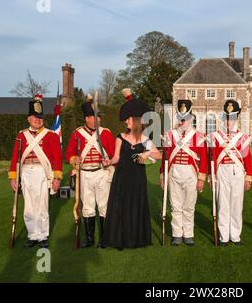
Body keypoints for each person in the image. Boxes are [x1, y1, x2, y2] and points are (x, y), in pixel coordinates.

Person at [101, 89, 162, 250]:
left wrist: (148, 152)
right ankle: (119, 239)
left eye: (128, 119)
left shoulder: (145, 139)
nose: (126, 122)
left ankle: (135, 239)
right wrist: (108, 162)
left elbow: (159, 155)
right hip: (121, 177)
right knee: (120, 207)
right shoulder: (120, 137)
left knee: (135, 206)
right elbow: (116, 158)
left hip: (137, 178)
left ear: (135, 121)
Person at [8, 95, 62, 248]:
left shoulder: (51, 136)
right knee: (29, 206)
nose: (37, 120)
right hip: (25, 173)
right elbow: (15, 158)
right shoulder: (21, 135)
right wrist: (13, 177)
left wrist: (57, 177)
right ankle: (32, 235)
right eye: (35, 117)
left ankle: (43, 236)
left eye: (40, 117)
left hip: (42, 172)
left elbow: (57, 158)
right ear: (29, 118)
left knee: (42, 205)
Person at [65, 96, 115, 248]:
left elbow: (113, 154)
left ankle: (104, 239)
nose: (99, 120)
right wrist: (75, 159)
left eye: (99, 117)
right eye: (95, 117)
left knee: (103, 206)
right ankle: (90, 239)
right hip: (85, 173)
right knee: (87, 206)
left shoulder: (106, 133)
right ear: (87, 118)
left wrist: (110, 161)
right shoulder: (77, 134)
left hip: (101, 172)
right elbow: (69, 154)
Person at [160, 100, 207, 246]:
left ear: (190, 118)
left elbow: (203, 158)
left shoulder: (198, 136)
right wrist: (163, 176)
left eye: (184, 118)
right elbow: (165, 158)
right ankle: (176, 234)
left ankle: (188, 234)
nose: (182, 122)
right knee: (175, 206)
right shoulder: (170, 135)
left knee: (189, 206)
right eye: (180, 118)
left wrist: (201, 179)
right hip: (174, 172)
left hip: (191, 173)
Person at [210, 100, 252, 246]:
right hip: (222, 170)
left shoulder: (243, 137)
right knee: (222, 204)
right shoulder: (216, 136)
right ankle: (224, 237)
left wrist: (248, 177)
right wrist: (212, 177)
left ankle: (235, 236)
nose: (230, 121)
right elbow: (214, 158)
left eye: (233, 118)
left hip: (238, 171)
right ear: (224, 118)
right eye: (228, 118)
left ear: (236, 119)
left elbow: (247, 158)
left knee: (236, 205)